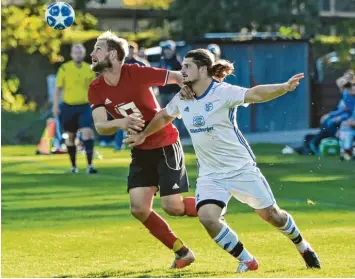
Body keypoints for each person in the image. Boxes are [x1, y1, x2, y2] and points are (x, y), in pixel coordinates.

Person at [124, 49, 321, 273]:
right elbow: (163, 116)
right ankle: (247, 260)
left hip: (241, 169)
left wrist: (284, 87)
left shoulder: (223, 92)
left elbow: (255, 93)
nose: (183, 70)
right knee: (208, 218)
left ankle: (303, 246)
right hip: (211, 174)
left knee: (272, 216)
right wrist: (143, 135)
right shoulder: (183, 97)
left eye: (187, 66)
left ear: (203, 69)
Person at [88, 31, 198, 269]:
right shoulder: (96, 87)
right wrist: (120, 123)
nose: (92, 54)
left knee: (173, 207)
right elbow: (100, 126)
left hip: (166, 143)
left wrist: (187, 87)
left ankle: (212, 206)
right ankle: (182, 252)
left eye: (98, 48)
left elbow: (178, 76)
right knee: (138, 208)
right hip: (140, 149)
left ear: (114, 54)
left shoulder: (136, 72)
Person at [53, 44, 98, 174]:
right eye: (75, 52)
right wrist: (56, 105)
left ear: (83, 54)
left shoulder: (89, 69)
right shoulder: (64, 68)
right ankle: (73, 166)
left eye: (80, 52)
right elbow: (58, 88)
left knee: (87, 132)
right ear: (72, 54)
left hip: (85, 106)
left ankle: (90, 166)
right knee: (71, 137)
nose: (77, 54)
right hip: (68, 106)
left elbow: (94, 88)